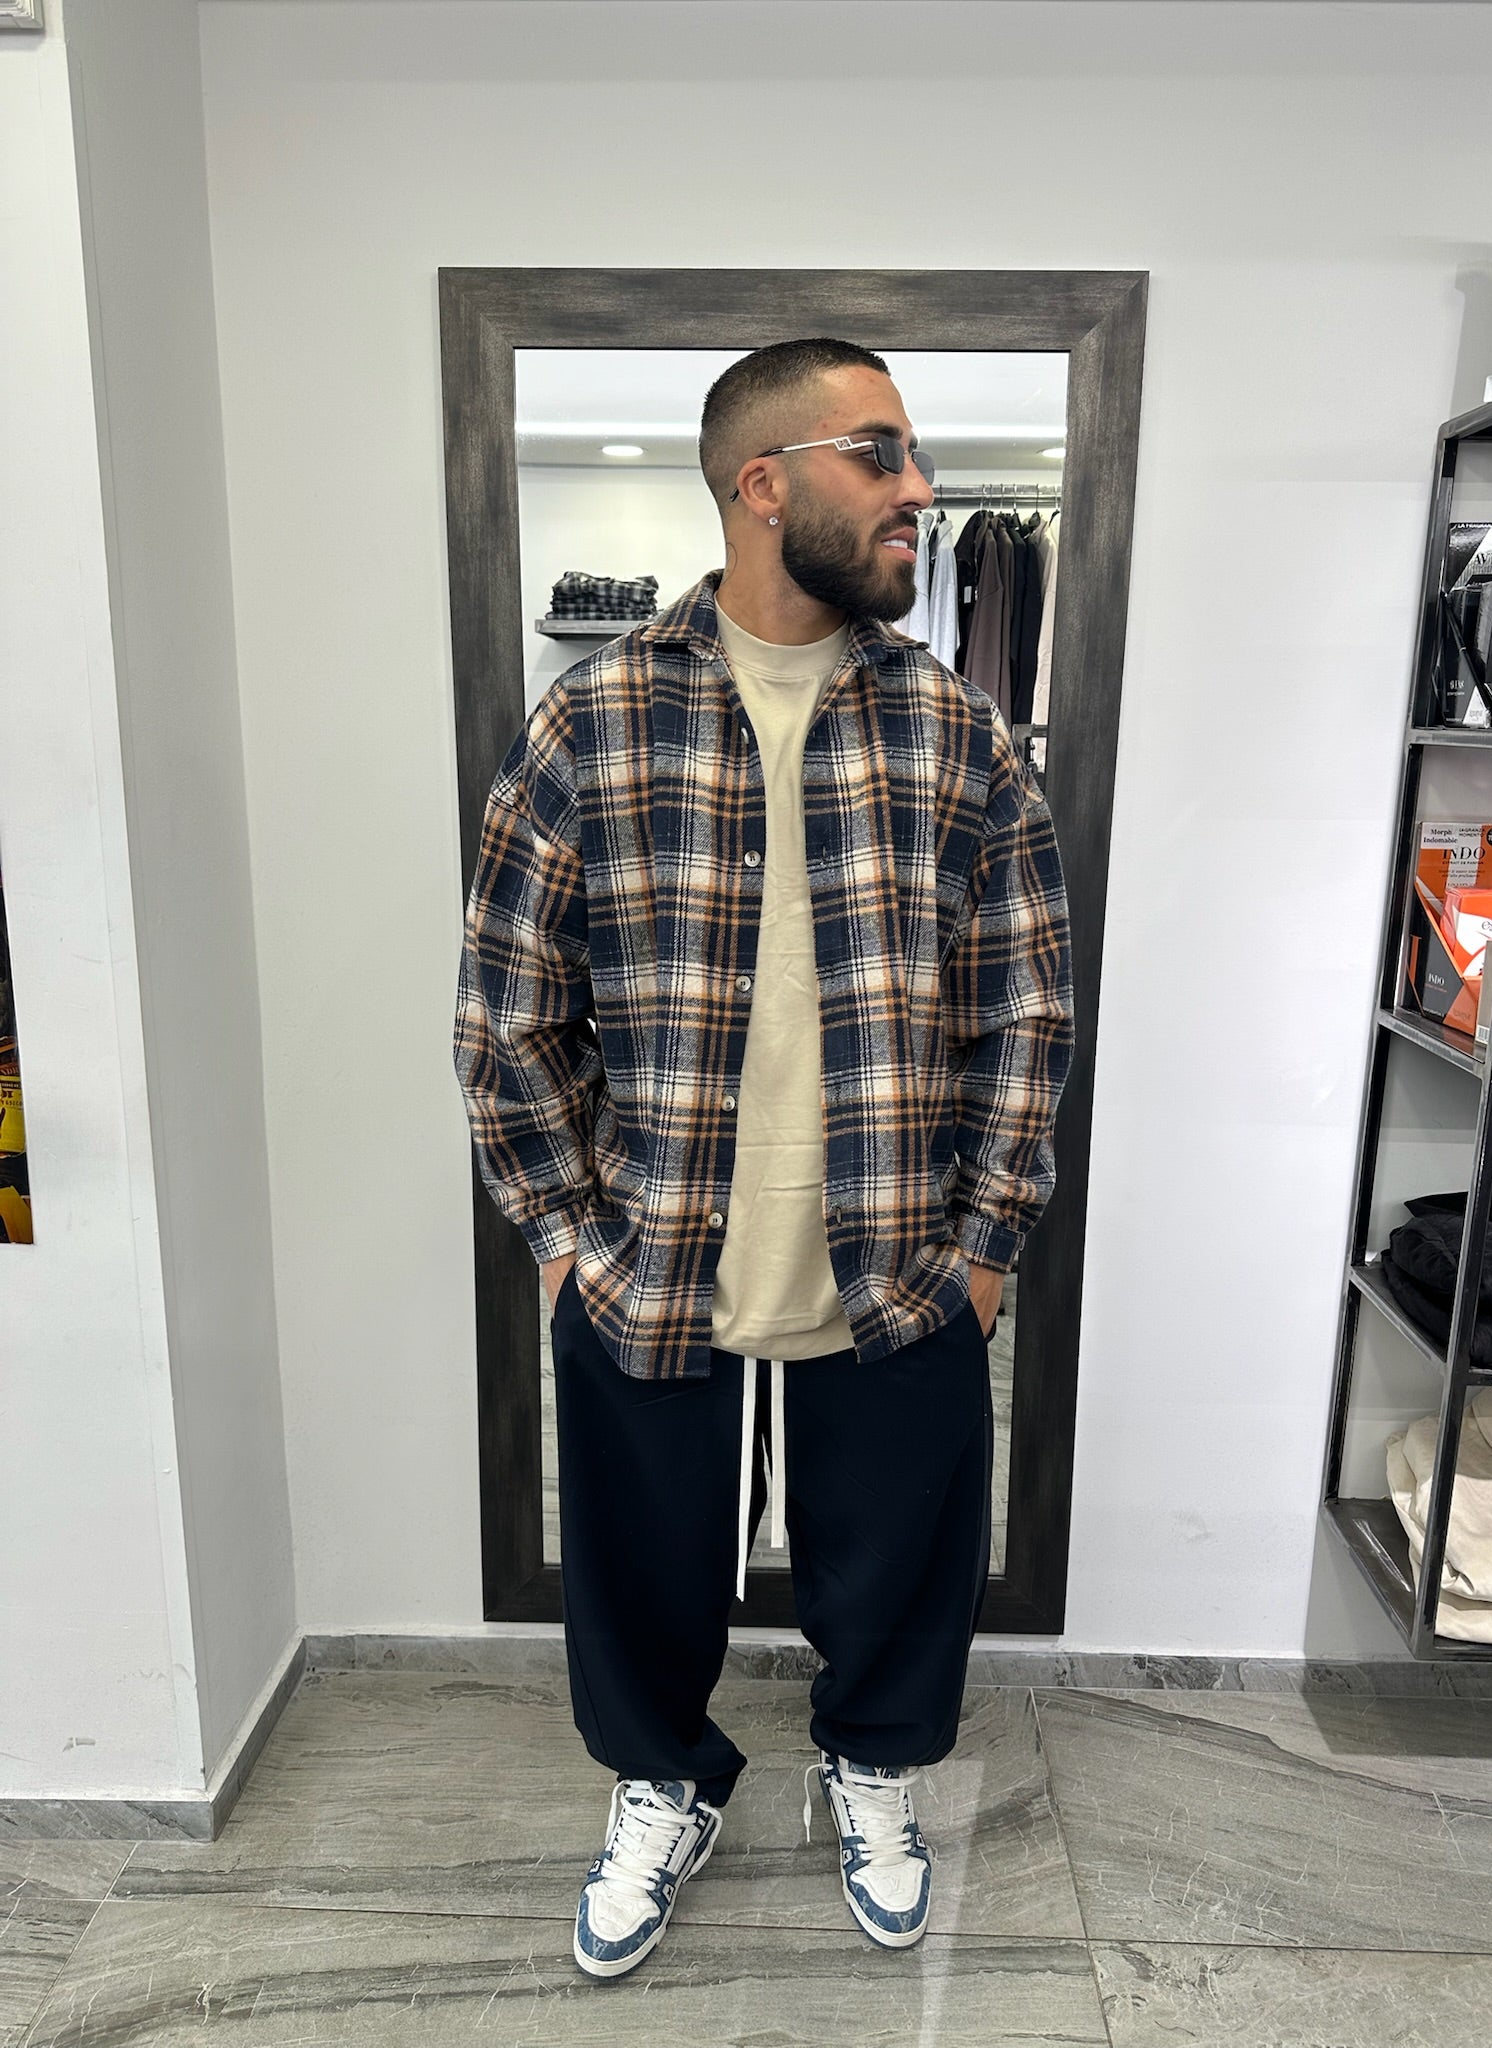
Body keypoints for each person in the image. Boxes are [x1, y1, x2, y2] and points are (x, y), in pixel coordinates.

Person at [453, 337, 1074, 1981]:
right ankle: (662, 1783)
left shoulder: (956, 731)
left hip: (901, 1256)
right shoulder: (595, 720)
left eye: (912, 457)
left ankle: (873, 1768)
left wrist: (989, 1245)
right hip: (655, 1255)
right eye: (880, 453)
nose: (918, 489)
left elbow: (1025, 1006)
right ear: (763, 482)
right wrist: (565, 1236)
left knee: (900, 1560)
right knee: (642, 1567)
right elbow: (507, 1007)